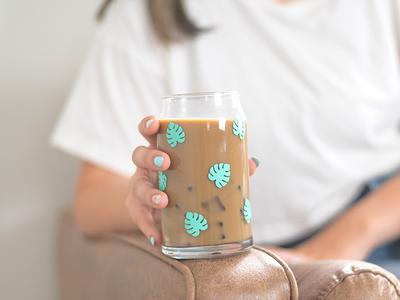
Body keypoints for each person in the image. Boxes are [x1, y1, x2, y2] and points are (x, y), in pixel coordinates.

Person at [52, 0, 400, 275]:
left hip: (381, 229)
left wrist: (349, 235)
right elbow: (92, 197)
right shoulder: (151, 13)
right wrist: (156, 197)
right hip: (238, 254)